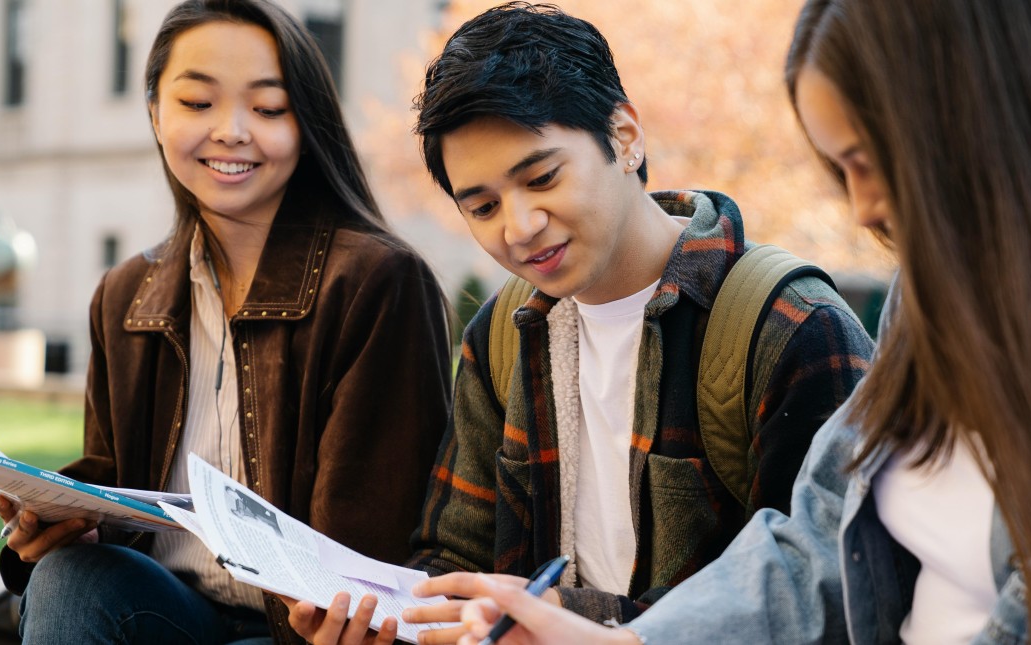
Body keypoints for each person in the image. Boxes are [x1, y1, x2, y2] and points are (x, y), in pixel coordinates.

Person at [445, 0, 1031, 643]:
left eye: (871, 160)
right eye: (480, 206)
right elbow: (822, 536)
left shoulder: (790, 322)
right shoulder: (935, 293)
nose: (861, 207)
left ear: (978, 116)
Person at [285, 3, 874, 644]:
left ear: (624, 137)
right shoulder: (505, 333)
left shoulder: (790, 326)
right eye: (482, 207)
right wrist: (402, 622)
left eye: (542, 177)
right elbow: (452, 558)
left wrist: (572, 618)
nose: (519, 227)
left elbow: (823, 597)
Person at [0, 1, 451, 643]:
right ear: (155, 113)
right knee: (71, 576)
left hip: (299, 632)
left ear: (306, 124)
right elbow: (120, 491)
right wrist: (64, 523)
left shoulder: (376, 283)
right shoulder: (125, 294)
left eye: (267, 108)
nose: (232, 131)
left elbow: (369, 545)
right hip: (166, 611)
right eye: (197, 103)